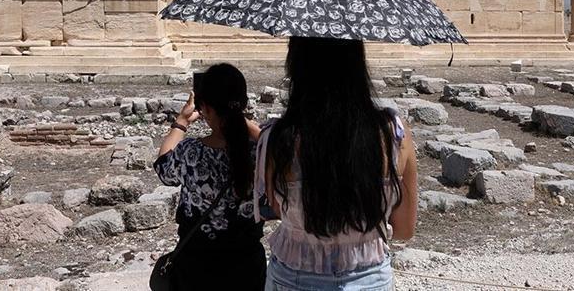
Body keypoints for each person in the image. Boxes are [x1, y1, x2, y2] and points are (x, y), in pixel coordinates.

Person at [254, 37, 419, 291]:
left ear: (296, 65)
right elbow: (405, 229)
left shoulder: (277, 139)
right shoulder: (394, 134)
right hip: (369, 280)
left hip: (293, 279)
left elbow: (275, 208)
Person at [153, 63, 266, 291]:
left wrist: (182, 122)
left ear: (205, 108)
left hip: (197, 267)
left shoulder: (191, 152)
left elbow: (163, 166)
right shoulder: (263, 152)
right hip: (247, 268)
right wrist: (237, 117)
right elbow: (276, 145)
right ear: (244, 103)